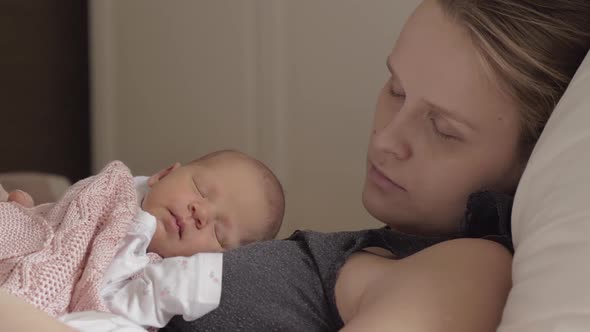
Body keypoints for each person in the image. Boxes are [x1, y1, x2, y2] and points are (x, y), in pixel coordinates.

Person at [2, 0, 589, 331]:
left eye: (443, 130)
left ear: (532, 165)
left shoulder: (472, 271)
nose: (387, 138)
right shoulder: (355, 256)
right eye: (395, 87)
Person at [1, 149, 285, 329]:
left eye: (218, 232)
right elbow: (69, 226)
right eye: (201, 189)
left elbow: (110, 310)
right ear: (164, 174)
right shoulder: (115, 192)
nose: (201, 212)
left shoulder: (154, 280)